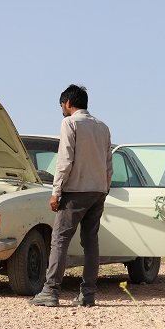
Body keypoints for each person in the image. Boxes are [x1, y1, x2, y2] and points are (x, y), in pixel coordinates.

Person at [29, 84, 112, 307]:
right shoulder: (103, 127)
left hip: (75, 191)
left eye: (62, 106)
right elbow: (108, 163)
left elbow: (64, 160)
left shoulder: (69, 123)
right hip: (98, 191)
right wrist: (104, 188)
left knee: (59, 241)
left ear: (67, 103)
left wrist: (56, 192)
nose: (62, 110)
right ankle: (88, 294)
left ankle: (50, 291)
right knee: (91, 242)